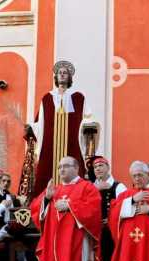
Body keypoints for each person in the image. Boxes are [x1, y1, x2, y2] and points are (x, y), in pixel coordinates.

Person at [30, 156, 103, 261]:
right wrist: (47, 200)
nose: (61, 170)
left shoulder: (87, 187)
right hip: (53, 243)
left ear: (76, 168)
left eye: (66, 166)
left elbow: (94, 211)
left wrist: (71, 205)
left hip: (76, 242)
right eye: (60, 167)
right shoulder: (54, 189)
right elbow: (35, 209)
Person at [25, 60, 102, 196]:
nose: (62, 75)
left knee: (74, 165)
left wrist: (89, 124)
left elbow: (88, 117)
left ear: (69, 77)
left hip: (72, 143)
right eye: (59, 73)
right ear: (56, 77)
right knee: (45, 171)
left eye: (65, 73)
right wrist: (31, 128)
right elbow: (39, 122)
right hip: (50, 145)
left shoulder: (78, 98)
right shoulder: (47, 98)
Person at [93, 156, 126, 261]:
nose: (98, 169)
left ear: (108, 167)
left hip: (111, 235)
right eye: (95, 167)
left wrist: (111, 218)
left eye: (101, 165)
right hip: (94, 234)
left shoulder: (119, 186)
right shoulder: (91, 188)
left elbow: (125, 208)